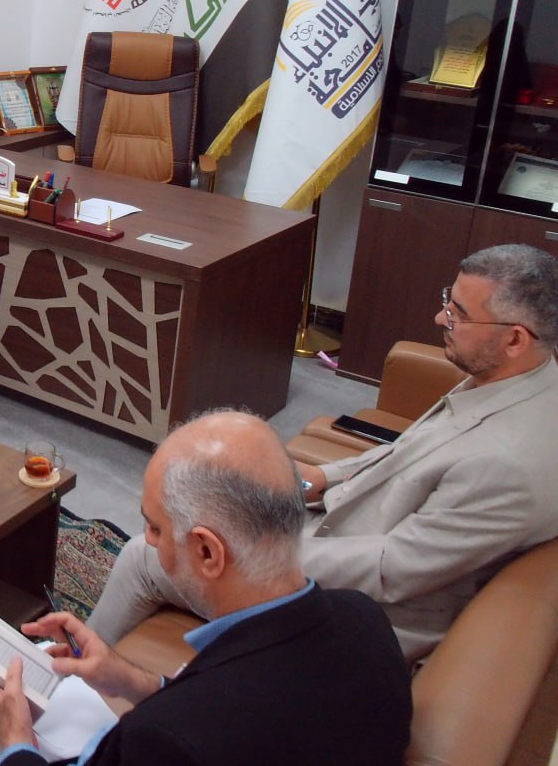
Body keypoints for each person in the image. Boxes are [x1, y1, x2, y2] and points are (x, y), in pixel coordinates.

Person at [0, 411, 411, 766]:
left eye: (155, 528)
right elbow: (241, 700)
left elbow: (204, 724)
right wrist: (131, 680)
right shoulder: (364, 622)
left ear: (208, 552)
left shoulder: (169, 739)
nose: (146, 543)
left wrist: (17, 738)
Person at [89, 243, 558, 663]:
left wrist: (257, 550)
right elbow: (407, 455)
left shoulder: (508, 467)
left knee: (144, 557)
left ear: (515, 339)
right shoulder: (517, 378)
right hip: (345, 529)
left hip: (362, 606)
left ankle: (69, 682)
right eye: (446, 302)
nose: (440, 319)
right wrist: (325, 477)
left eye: (457, 314)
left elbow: (391, 570)